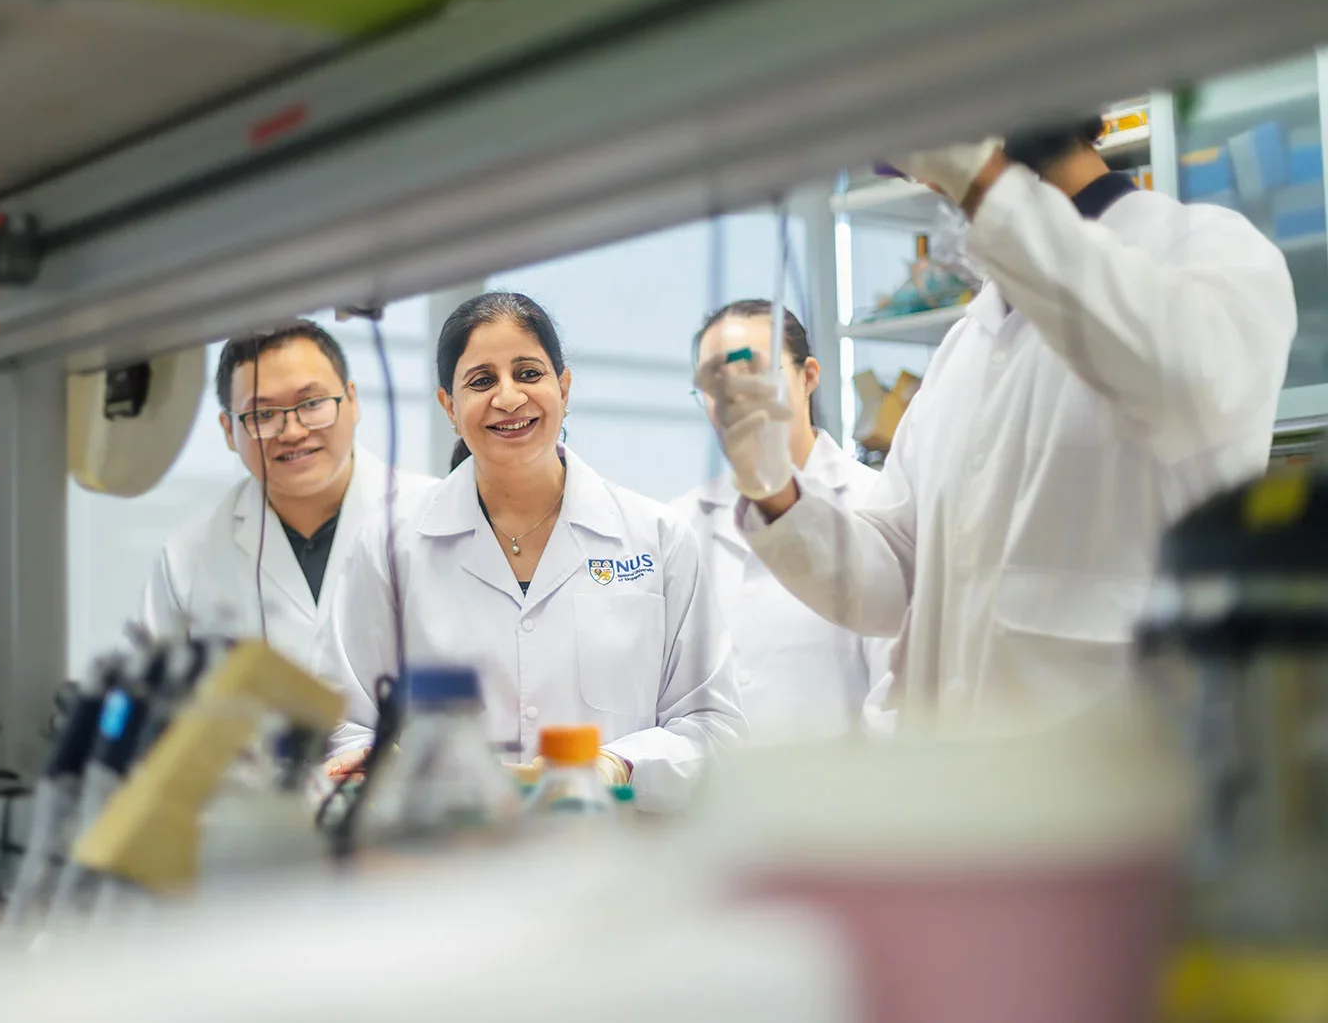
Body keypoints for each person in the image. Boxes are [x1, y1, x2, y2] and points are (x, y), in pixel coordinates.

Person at [701, 120, 1296, 723]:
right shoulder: (966, 346)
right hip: (959, 766)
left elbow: (1175, 369)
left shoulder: (1208, 254)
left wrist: (982, 182)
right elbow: (895, 574)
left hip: (1117, 760)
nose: (917, 177)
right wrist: (776, 493)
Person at [314, 292, 746, 812]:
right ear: (449, 408)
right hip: (448, 844)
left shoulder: (657, 537)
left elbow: (713, 725)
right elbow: (343, 720)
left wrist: (616, 764)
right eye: (481, 381)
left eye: (528, 373)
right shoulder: (389, 545)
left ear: (564, 387)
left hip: (612, 842)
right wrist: (385, 761)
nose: (509, 397)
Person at [139, 321, 435, 667]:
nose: (292, 432)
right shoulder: (187, 558)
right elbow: (151, 690)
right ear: (229, 431)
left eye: (312, 403)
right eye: (263, 414)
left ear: (352, 401)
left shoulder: (433, 515)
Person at [672, 300, 893, 739]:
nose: (736, 395)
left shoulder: (878, 505)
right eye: (716, 381)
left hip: (848, 783)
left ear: (808, 376)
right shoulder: (679, 525)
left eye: (754, 371)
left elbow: (896, 708)